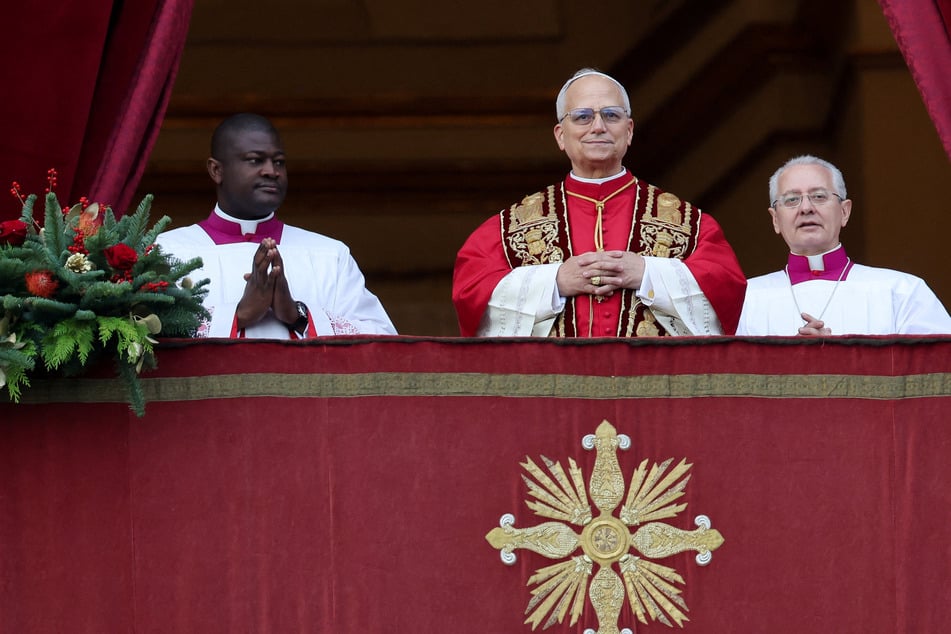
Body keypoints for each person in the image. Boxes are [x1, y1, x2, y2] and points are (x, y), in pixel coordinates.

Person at [452, 68, 747, 337]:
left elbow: (727, 287)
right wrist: (554, 282)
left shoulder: (691, 224)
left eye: (611, 115)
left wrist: (648, 274)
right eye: (582, 116)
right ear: (560, 136)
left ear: (629, 131)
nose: (598, 126)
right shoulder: (508, 228)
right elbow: (470, 293)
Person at [158, 113, 396, 338]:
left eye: (279, 162)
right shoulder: (166, 252)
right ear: (216, 170)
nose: (272, 171)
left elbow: (381, 340)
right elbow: (139, 337)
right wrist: (237, 316)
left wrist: (297, 315)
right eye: (255, 160)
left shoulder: (330, 255)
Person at [736, 155, 951, 335]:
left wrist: (840, 360)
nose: (806, 208)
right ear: (775, 219)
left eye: (819, 196)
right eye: (792, 199)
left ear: (844, 212)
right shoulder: (743, 301)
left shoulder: (902, 292)